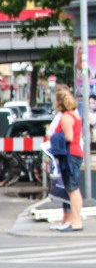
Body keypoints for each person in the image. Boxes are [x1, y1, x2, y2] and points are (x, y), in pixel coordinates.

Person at [50, 88, 85, 231]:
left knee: (72, 189)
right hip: (75, 153)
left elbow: (68, 137)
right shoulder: (75, 115)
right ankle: (75, 220)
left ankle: (76, 222)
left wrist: (54, 139)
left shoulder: (65, 117)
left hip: (69, 155)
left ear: (60, 102)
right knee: (72, 188)